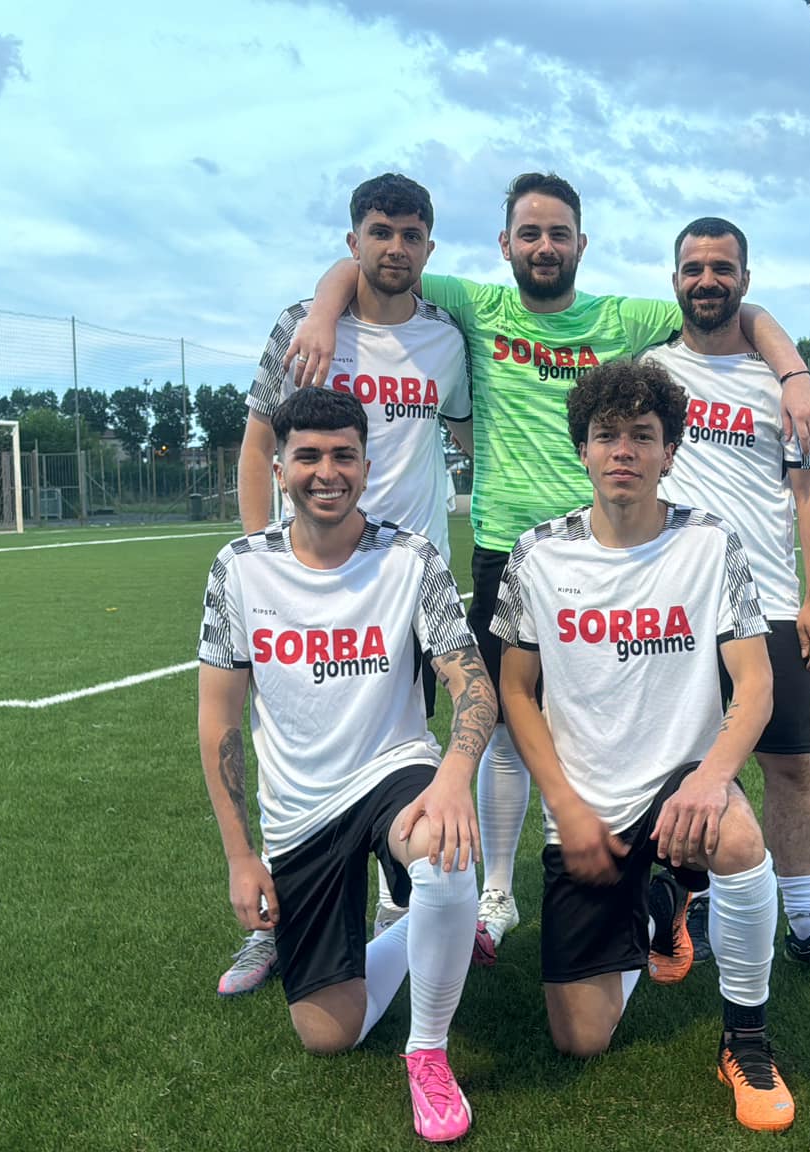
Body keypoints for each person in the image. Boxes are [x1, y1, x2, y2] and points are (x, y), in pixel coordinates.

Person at [284, 172, 810, 965]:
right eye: (530, 234)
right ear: (505, 244)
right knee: (505, 725)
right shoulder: (476, 304)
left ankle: (667, 876)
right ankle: (498, 896)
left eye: (559, 234)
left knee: (623, 725)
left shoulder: (623, 317)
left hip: (608, 554)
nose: (545, 246)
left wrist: (794, 370)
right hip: (509, 550)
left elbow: (734, 308)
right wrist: (323, 312)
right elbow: (373, 263)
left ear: (582, 243)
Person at [493, 357, 796, 1132]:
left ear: (670, 451)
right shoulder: (537, 555)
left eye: (642, 435)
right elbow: (516, 692)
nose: (622, 450)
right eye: (606, 435)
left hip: (679, 783)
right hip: (585, 809)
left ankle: (746, 1040)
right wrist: (564, 805)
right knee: (580, 1039)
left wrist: (713, 778)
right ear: (583, 450)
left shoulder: (710, 544)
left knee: (737, 838)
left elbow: (755, 684)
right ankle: (661, 902)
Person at [197, 387, 497, 1142]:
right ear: (279, 468)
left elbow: (472, 684)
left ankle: (428, 1052)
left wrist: (453, 780)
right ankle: (440, 927)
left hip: (393, 772)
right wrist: (241, 857)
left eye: (343, 455)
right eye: (308, 456)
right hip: (301, 811)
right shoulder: (239, 569)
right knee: (327, 1033)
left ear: (366, 465)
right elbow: (219, 724)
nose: (326, 472)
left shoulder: (410, 558)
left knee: (444, 846)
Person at [224, 173, 474, 999]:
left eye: (410, 234)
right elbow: (258, 442)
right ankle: (275, 921)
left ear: (428, 246)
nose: (394, 247)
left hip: (403, 584)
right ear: (352, 241)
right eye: (379, 231)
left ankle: (398, 906)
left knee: (401, 744)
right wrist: (260, 558)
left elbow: (470, 426)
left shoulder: (446, 340)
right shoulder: (302, 327)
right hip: (304, 578)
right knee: (288, 744)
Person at [643, 217, 810, 984]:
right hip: (676, 607)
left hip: (769, 606)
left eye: (722, 268)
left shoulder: (782, 387)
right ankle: (695, 908)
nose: (708, 281)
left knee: (791, 767)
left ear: (745, 281)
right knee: (683, 768)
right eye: (694, 268)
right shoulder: (651, 372)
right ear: (675, 280)